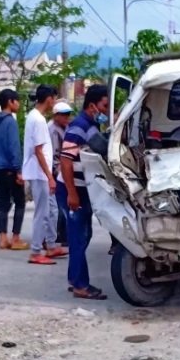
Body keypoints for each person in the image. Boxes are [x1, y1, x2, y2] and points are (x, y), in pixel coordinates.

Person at [57, 84, 109, 300]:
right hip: (72, 188)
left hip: (81, 188)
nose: (106, 110)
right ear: (92, 106)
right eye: (104, 105)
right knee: (79, 237)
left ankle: (74, 277)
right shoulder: (78, 127)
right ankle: (81, 286)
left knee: (83, 235)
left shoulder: (91, 126)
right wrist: (72, 194)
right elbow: (66, 161)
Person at [23, 85, 68, 265]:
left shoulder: (34, 117)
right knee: (42, 212)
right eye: (54, 99)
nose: (54, 103)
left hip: (40, 171)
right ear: (49, 99)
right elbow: (39, 151)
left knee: (50, 210)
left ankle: (50, 245)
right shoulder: (39, 121)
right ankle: (35, 251)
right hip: (40, 172)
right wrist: (50, 176)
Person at [0, 89, 29, 250]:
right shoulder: (10, 121)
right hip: (10, 168)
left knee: (3, 203)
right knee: (20, 202)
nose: (18, 104)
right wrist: (19, 170)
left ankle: (3, 238)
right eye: (17, 101)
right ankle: (16, 237)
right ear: (10, 102)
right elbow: (14, 147)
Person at [48, 101, 73, 247]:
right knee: (61, 203)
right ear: (56, 115)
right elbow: (54, 155)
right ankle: (61, 235)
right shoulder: (52, 130)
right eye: (63, 115)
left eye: (68, 115)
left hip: (63, 167)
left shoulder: (64, 127)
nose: (67, 118)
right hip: (57, 168)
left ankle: (63, 234)